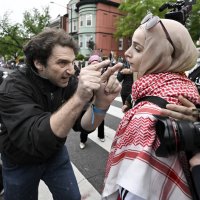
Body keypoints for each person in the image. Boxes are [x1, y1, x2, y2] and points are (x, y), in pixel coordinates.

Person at [0, 28, 122, 200]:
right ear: (39, 63)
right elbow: (37, 138)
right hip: (20, 161)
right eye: (62, 63)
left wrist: (101, 103)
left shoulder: (67, 81)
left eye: (72, 62)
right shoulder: (13, 88)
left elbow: (85, 125)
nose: (71, 70)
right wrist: (79, 97)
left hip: (55, 155)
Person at [102, 13, 199, 200]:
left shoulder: (149, 115)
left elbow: (136, 187)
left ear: (162, 54)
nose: (127, 53)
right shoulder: (184, 88)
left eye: (138, 48)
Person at [79, 54, 106, 149]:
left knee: (101, 120)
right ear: (90, 65)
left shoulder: (104, 76)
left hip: (98, 103)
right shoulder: (84, 76)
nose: (96, 66)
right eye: (93, 64)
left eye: (97, 64)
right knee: (85, 122)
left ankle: (101, 135)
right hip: (86, 105)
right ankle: (83, 140)